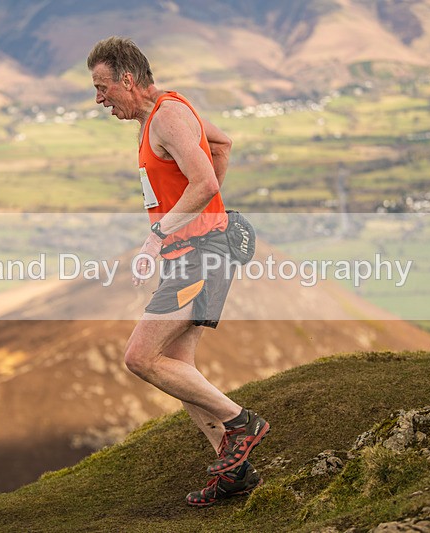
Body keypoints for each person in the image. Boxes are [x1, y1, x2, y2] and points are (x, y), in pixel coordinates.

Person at [87, 36, 271, 507]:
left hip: (198, 256)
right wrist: (206, 214)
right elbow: (221, 145)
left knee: (140, 357)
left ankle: (241, 422)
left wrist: (161, 235)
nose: (99, 99)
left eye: (103, 87)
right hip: (193, 252)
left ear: (128, 80)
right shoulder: (168, 110)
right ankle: (235, 475)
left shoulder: (167, 116)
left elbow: (204, 180)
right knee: (177, 365)